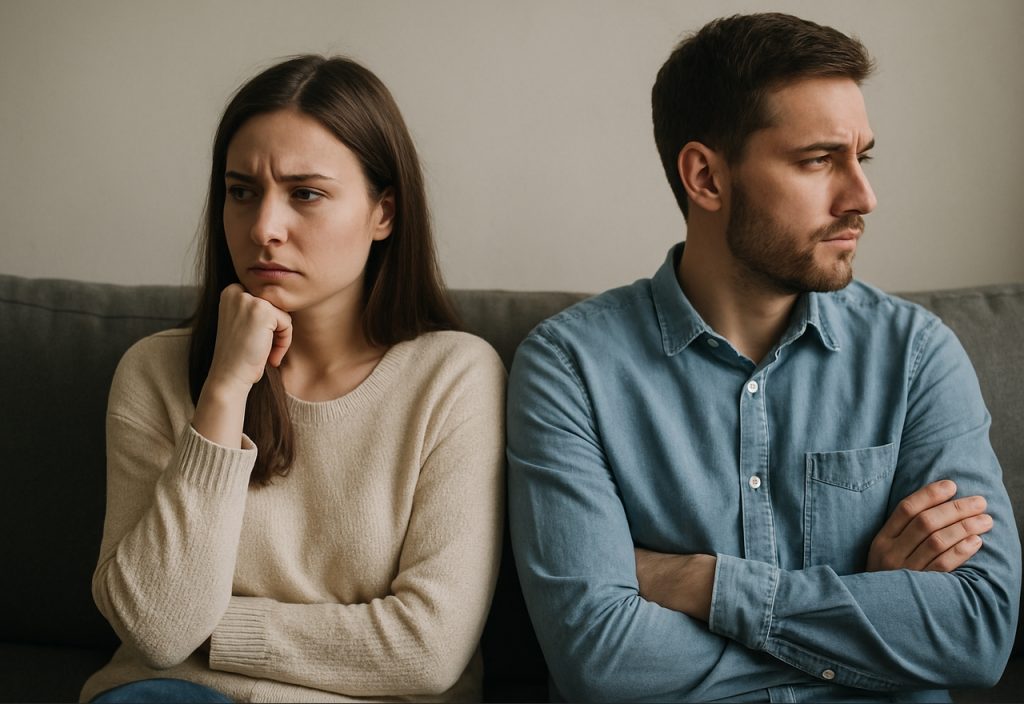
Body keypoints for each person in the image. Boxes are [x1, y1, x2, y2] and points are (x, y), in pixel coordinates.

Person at [507, 13, 1020, 702]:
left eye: (860, 157)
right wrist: (867, 611)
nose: (862, 198)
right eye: (818, 160)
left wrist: (700, 583)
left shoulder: (917, 356)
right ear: (707, 178)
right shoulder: (571, 370)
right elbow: (601, 662)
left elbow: (978, 634)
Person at [81, 55, 506, 703]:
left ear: (383, 214)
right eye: (241, 191)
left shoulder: (453, 377)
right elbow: (155, 632)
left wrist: (208, 630)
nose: (262, 230)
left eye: (305, 193)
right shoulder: (155, 369)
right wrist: (224, 392)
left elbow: (427, 649)